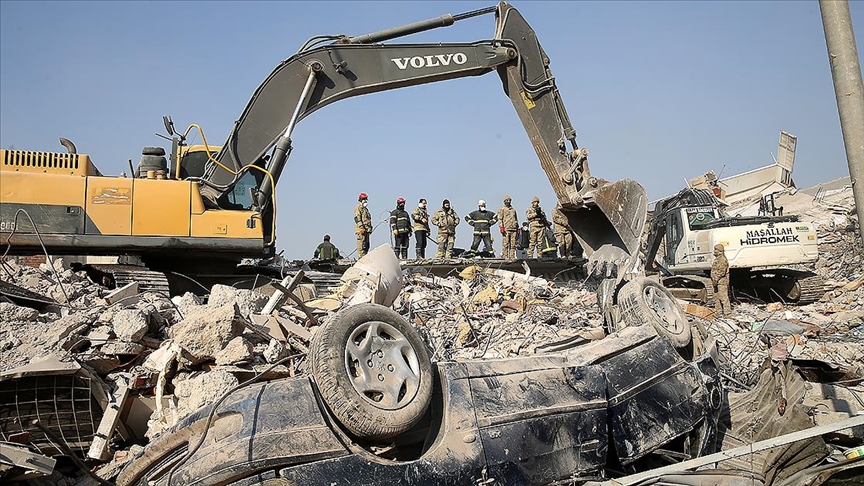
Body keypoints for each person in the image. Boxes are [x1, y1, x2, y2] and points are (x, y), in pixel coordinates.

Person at [711, 243, 732, 317]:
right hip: (717, 282)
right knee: (716, 298)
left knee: (723, 297)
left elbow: (721, 272)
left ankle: (727, 313)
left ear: (720, 251)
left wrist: (715, 280)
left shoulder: (722, 260)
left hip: (721, 282)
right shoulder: (717, 259)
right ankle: (718, 312)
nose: (714, 251)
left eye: (716, 249)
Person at [497, 195, 519, 260]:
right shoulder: (502, 209)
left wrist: (517, 228)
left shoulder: (513, 210)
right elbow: (500, 218)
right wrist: (501, 227)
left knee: (513, 244)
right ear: (504, 201)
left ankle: (512, 256)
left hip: (513, 229)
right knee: (505, 243)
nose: (508, 201)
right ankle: (505, 256)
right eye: (507, 200)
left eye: (509, 200)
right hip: (506, 229)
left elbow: (516, 219)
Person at [354, 192, 372, 258]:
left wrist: (370, 228)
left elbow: (368, 220)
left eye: (366, 199)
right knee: (361, 246)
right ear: (361, 200)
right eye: (364, 199)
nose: (365, 201)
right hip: (361, 231)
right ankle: (361, 258)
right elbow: (357, 218)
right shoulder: (358, 208)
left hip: (367, 231)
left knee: (366, 245)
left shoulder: (366, 210)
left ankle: (365, 257)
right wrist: (361, 227)